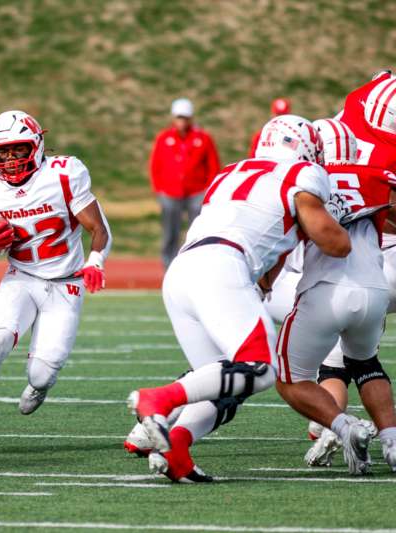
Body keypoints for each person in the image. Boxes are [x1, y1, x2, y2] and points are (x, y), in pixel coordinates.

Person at [128, 114, 350, 482]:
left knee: (223, 385)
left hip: (183, 271)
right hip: (222, 266)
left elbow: (270, 238)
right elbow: (334, 243)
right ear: (306, 148)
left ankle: (178, 449)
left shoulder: (230, 173)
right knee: (261, 368)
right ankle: (160, 400)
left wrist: (264, 283)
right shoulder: (302, 175)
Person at [0, 110, 111, 455]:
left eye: (17, 150)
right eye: (1, 152)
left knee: (40, 375)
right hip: (21, 276)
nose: (9, 160)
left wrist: (95, 261)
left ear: (36, 146)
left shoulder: (64, 174)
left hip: (65, 283)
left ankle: (40, 386)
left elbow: (98, 227)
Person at [275, 117, 396, 475]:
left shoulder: (306, 179)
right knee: (364, 362)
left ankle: (342, 427)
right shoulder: (376, 176)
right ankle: (392, 441)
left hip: (324, 291)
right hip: (374, 290)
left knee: (288, 379)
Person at [148, 98, 220, 269]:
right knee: (170, 233)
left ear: (191, 118)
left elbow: (213, 166)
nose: (182, 121)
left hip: (196, 192)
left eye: (185, 117)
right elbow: (155, 165)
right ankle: (169, 267)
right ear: (174, 118)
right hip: (170, 192)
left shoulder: (203, 138)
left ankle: (196, 266)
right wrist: (160, 190)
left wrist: (207, 191)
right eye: (179, 117)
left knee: (198, 232)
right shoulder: (164, 138)